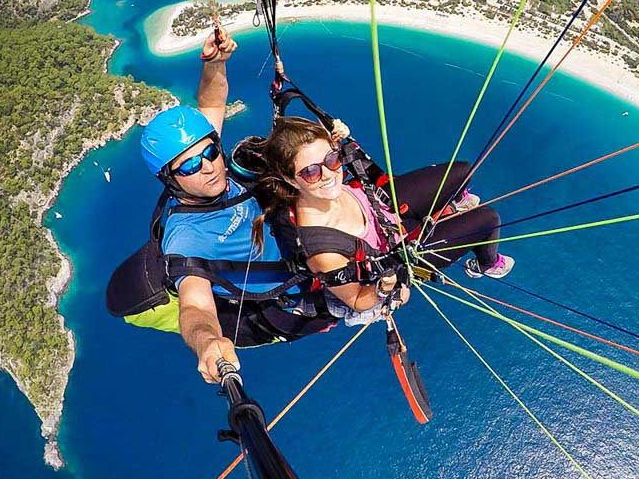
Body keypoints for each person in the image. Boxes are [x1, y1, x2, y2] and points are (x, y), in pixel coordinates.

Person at [137, 30, 337, 384]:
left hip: (299, 241)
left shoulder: (208, 167)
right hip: (294, 296)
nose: (208, 165)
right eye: (188, 166)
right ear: (170, 179)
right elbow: (195, 306)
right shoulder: (186, 239)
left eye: (211, 152)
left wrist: (215, 64)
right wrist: (209, 343)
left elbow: (212, 104)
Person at [250, 116, 514, 320]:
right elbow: (354, 299)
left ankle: (451, 203)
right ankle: (486, 264)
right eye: (310, 172)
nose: (329, 174)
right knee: (488, 220)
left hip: (381, 205)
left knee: (463, 171)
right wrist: (383, 289)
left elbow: (320, 150)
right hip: (399, 254)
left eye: (332, 160)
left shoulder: (327, 174)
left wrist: (338, 137)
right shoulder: (321, 249)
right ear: (288, 179)